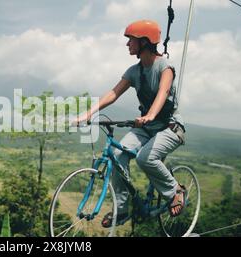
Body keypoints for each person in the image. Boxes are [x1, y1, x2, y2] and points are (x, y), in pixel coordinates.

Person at [73, 20, 187, 226]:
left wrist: (150, 115)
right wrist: (87, 114)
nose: (127, 45)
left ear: (144, 41)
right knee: (117, 155)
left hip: (170, 127)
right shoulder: (134, 71)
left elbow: (163, 92)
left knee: (145, 158)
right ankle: (123, 210)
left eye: (131, 40)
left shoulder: (165, 67)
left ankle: (175, 191)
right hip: (145, 127)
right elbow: (113, 93)